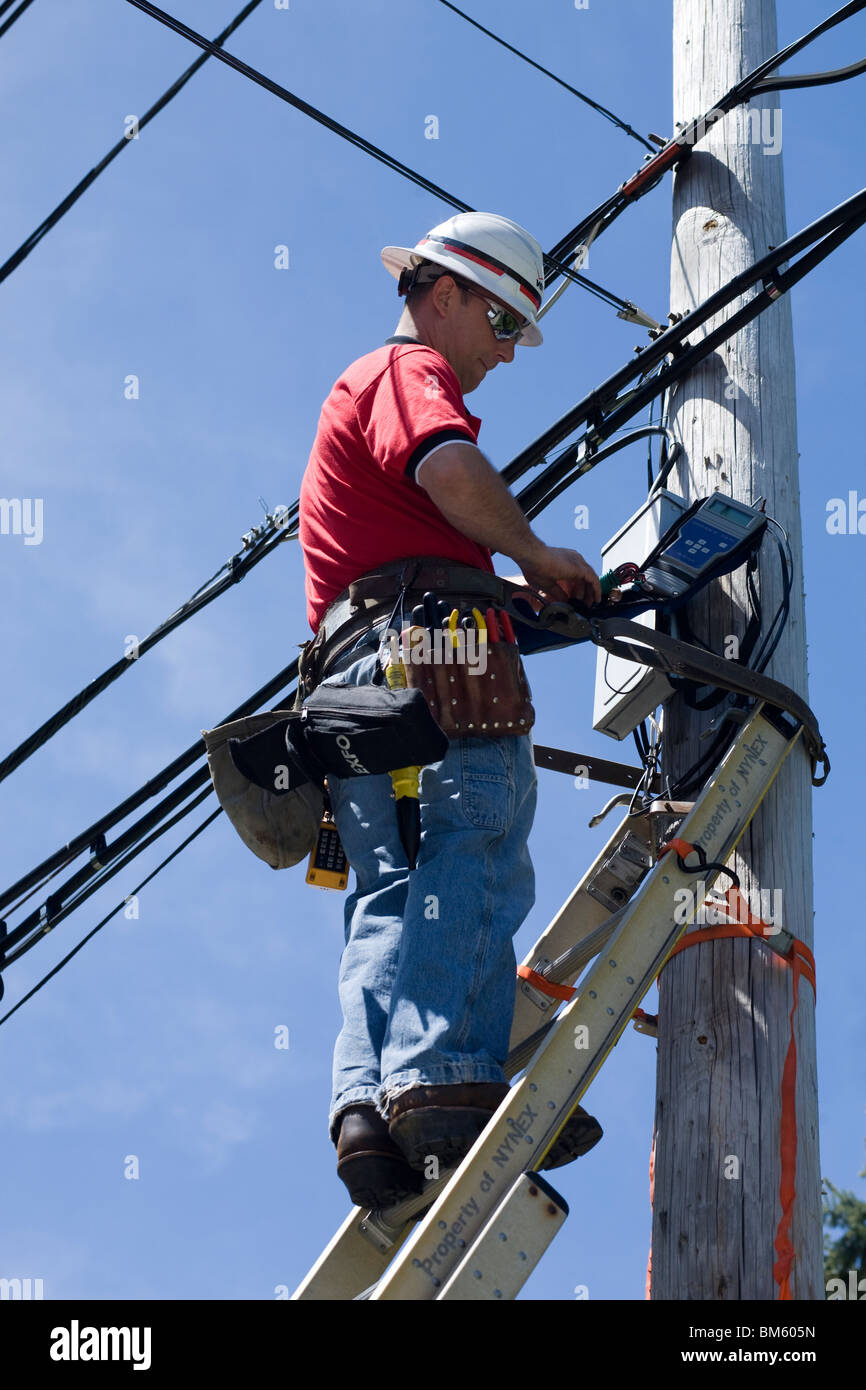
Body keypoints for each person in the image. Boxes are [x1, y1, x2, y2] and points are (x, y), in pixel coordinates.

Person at [298, 212, 604, 1210]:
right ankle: (445, 1082)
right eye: (503, 322)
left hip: (353, 685)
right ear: (443, 296)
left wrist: (524, 593)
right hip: (433, 656)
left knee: (386, 893)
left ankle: (367, 1112)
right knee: (473, 838)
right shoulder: (401, 373)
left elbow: (415, 537)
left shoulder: (357, 407)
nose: (507, 352)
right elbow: (447, 465)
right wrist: (534, 553)